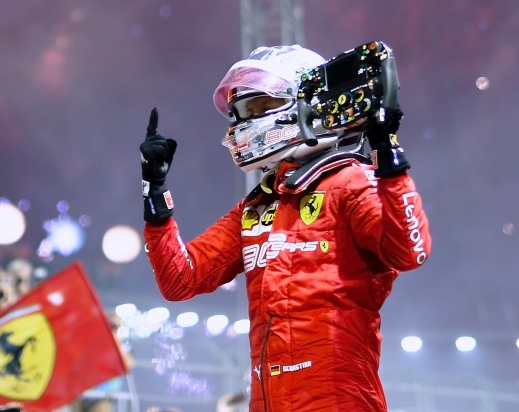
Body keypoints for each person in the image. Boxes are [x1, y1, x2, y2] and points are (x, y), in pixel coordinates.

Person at [140, 44, 432, 411]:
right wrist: (155, 193)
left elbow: (409, 251)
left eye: (259, 108)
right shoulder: (259, 205)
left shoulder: (351, 182)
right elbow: (180, 280)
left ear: (305, 102)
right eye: (240, 113)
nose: (244, 124)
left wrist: (388, 151)